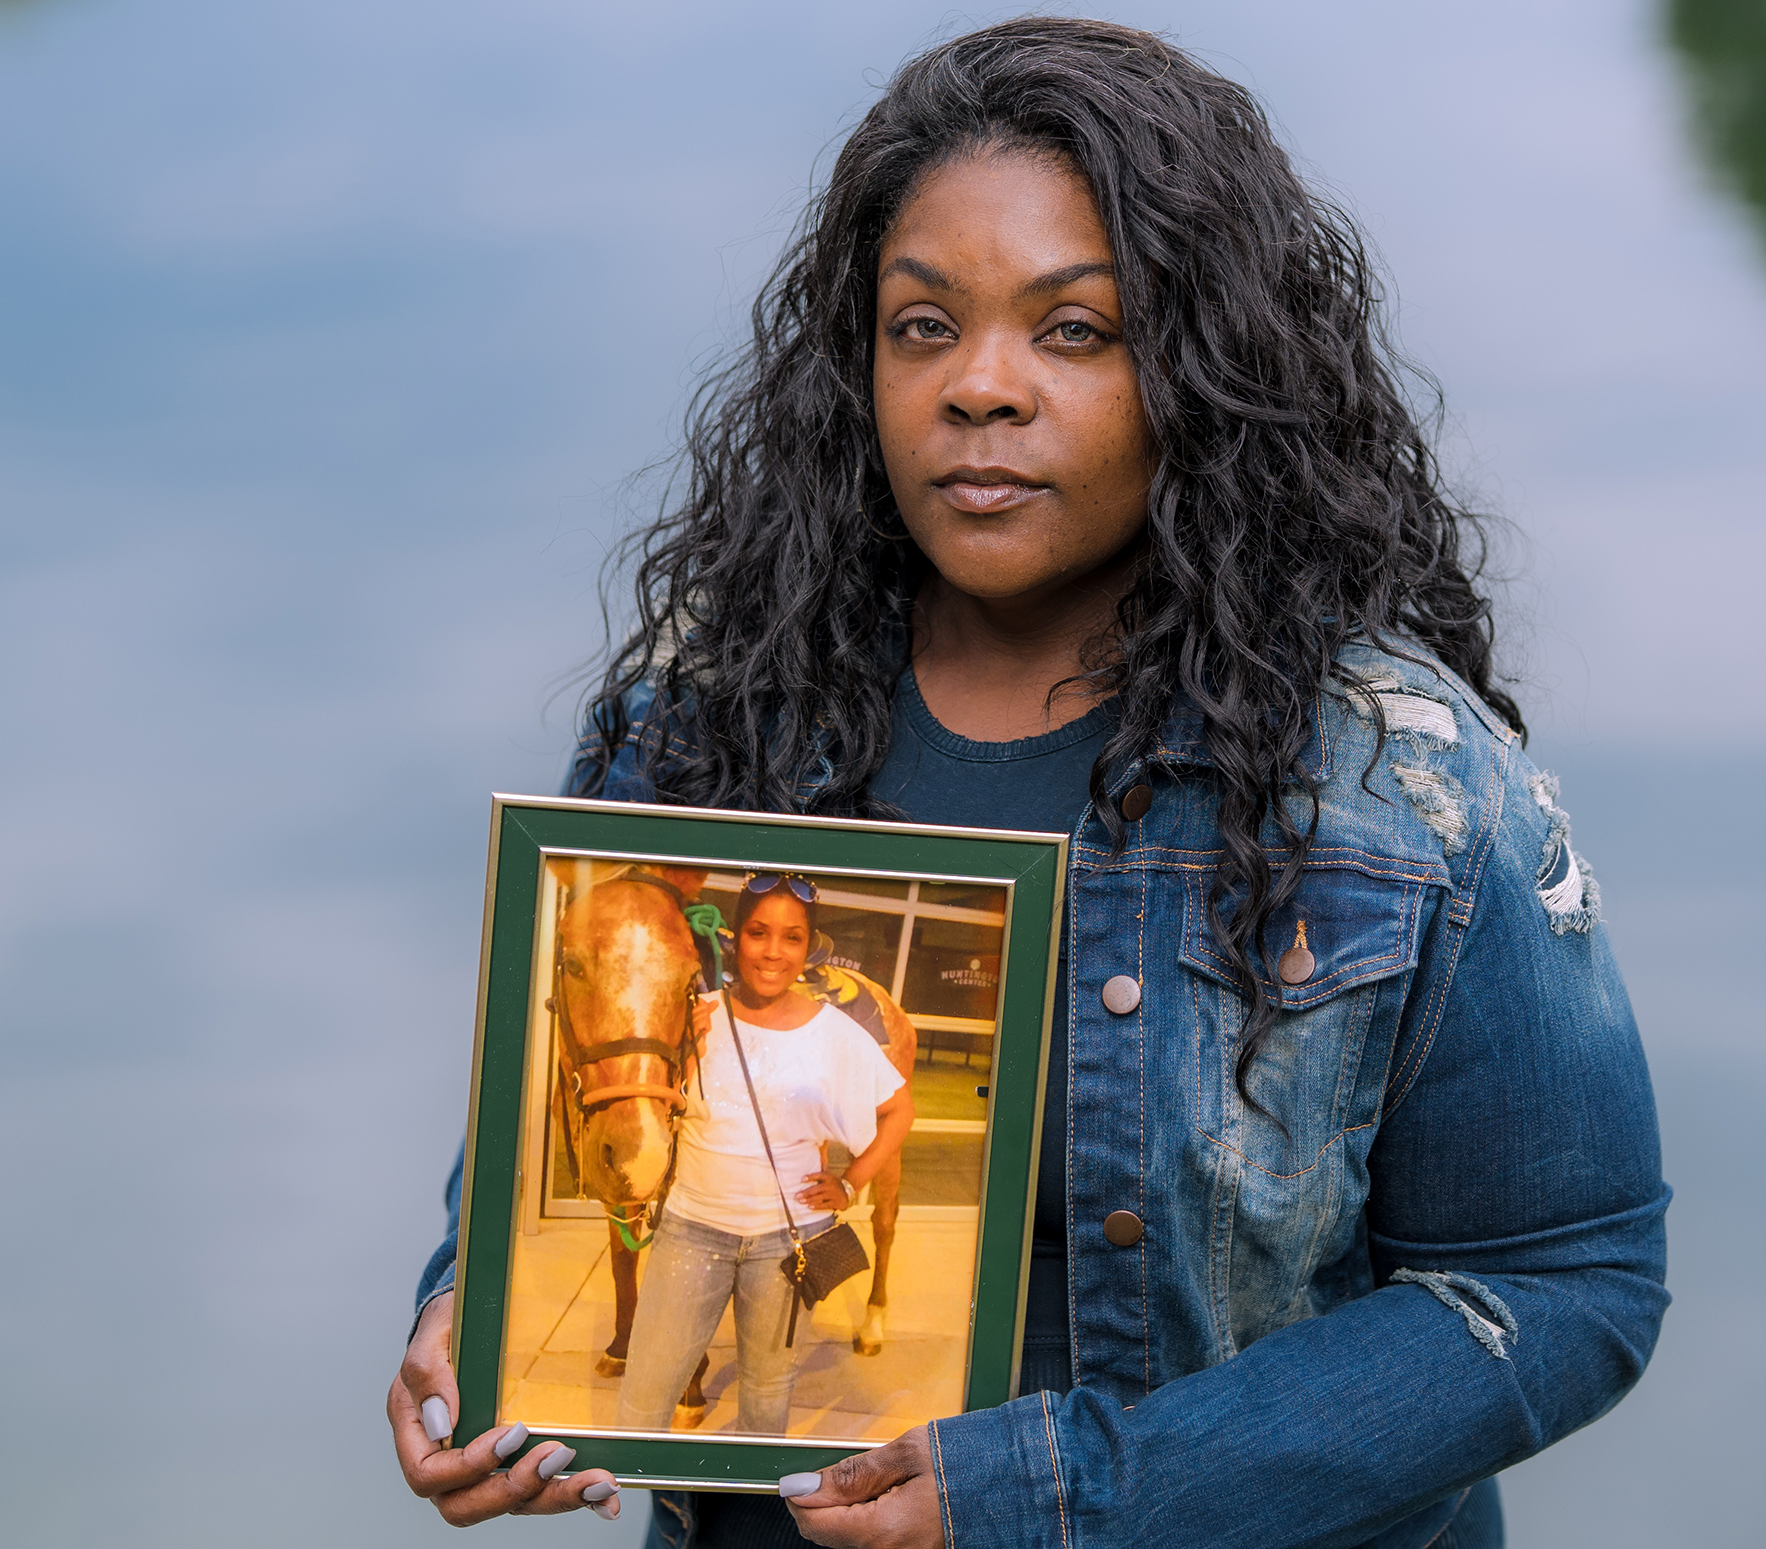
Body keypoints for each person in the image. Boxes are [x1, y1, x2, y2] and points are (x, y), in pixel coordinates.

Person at [386, 18, 1667, 1547]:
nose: (979, 388)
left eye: (1075, 330)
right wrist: (467, 1316)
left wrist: (1058, 1488)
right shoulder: (709, 726)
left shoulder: (1403, 787)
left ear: (1203, 367)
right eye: (923, 325)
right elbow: (566, 1129)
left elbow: (1561, 1286)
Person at [615, 874, 915, 1435]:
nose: (773, 952)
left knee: (766, 1395)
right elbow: (649, 1112)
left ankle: (748, 1511)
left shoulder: (836, 1033)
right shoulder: (693, 1015)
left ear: (808, 947)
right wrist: (684, 1049)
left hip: (786, 1243)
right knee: (645, 1393)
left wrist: (852, 1183)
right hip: (691, 1231)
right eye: (759, 933)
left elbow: (900, 1111)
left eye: (791, 937)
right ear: (736, 939)